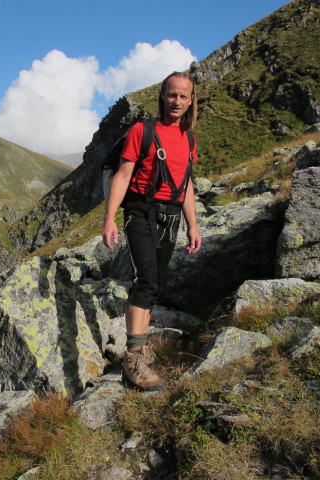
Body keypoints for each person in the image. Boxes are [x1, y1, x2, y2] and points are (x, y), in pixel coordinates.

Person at [102, 71, 202, 390]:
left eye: (184, 96)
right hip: (140, 210)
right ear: (162, 96)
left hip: (171, 215)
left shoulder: (189, 139)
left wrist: (193, 225)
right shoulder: (141, 131)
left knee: (154, 285)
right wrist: (109, 219)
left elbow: (185, 184)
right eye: (172, 94)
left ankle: (140, 352)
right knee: (145, 280)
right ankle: (133, 360)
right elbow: (122, 176)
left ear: (191, 100)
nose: (177, 101)